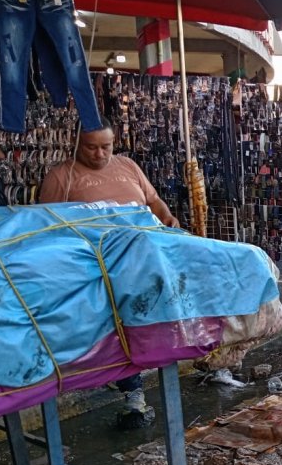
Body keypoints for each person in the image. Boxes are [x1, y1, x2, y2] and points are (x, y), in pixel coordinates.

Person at [39, 118, 181, 428]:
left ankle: (211, 365)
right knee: (118, 324)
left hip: (148, 257)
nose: (100, 154)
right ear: (75, 144)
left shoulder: (128, 166)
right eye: (91, 147)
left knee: (158, 318)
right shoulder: (60, 177)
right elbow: (45, 230)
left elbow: (154, 202)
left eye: (107, 146)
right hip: (98, 268)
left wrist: (169, 220)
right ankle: (134, 393)